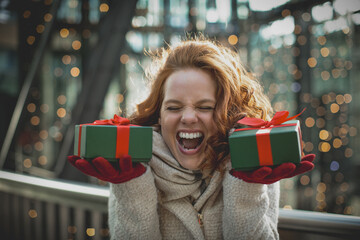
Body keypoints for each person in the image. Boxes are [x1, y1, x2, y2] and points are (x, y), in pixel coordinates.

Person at [68, 36, 315, 240]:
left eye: (205, 107)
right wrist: (132, 189)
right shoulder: (130, 167)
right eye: (174, 108)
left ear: (227, 113)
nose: (187, 117)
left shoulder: (258, 165)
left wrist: (246, 190)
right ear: (159, 115)